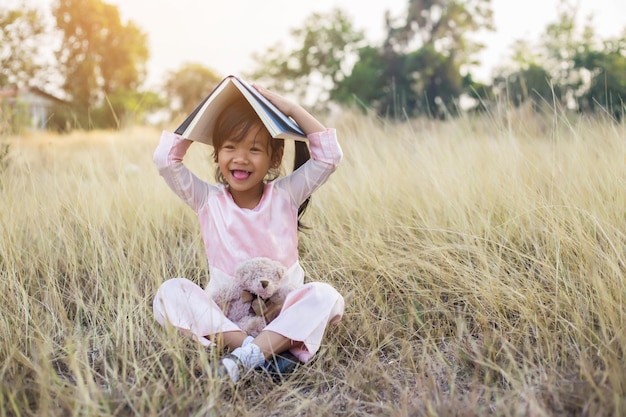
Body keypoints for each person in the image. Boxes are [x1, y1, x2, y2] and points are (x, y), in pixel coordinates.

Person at [152, 83, 345, 383]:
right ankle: (254, 351)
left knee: (327, 296)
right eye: (230, 147)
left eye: (254, 149)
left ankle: (246, 357)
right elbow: (166, 160)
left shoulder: (286, 195)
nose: (240, 158)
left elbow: (330, 156)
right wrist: (201, 118)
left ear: (275, 158)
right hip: (230, 318)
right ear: (217, 154)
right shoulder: (207, 199)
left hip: (282, 312)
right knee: (169, 293)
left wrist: (291, 109)